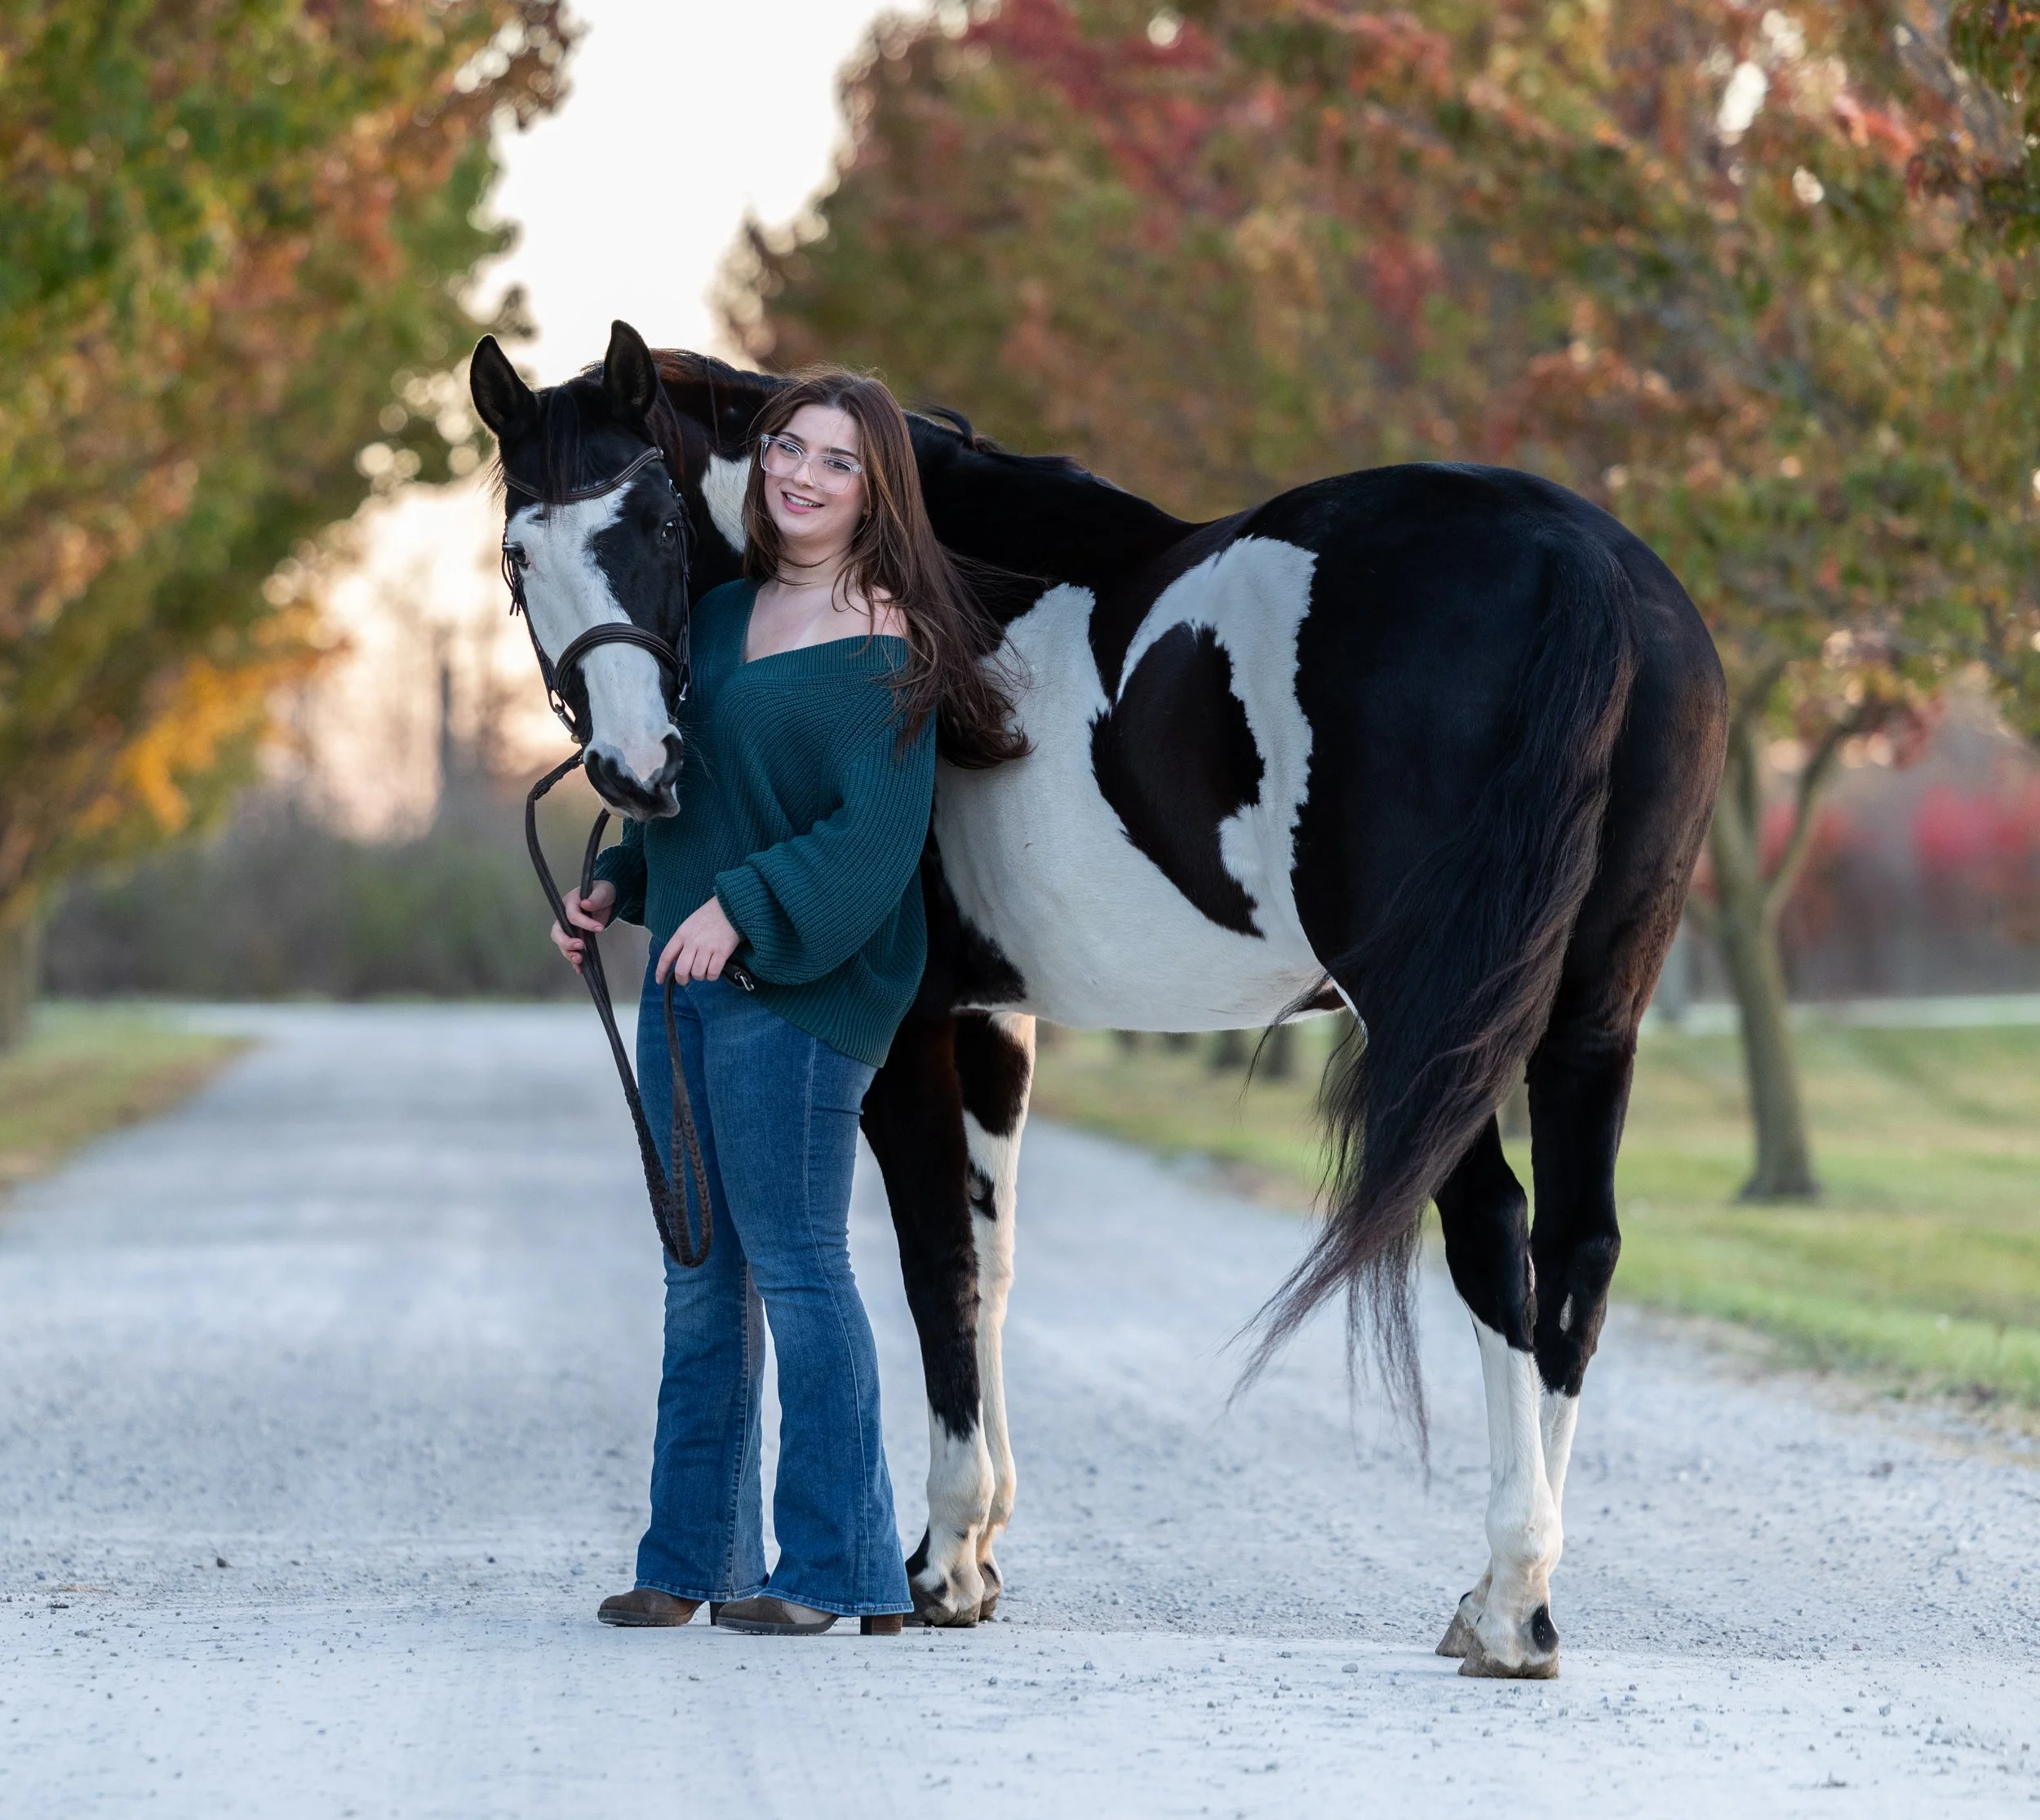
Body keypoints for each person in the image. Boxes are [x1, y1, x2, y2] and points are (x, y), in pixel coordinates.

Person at [552, 369, 1025, 1636]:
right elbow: (694, 805)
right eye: (786, 451)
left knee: (799, 1267)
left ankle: (838, 1569)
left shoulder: (891, 641)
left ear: (878, 491)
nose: (799, 475)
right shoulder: (710, 619)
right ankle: (691, 1555)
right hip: (685, 982)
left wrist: (739, 911)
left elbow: (872, 844)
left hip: (803, 996)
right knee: (699, 1274)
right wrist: (613, 882)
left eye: (834, 460)